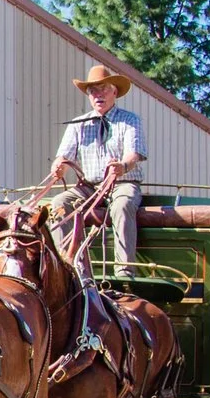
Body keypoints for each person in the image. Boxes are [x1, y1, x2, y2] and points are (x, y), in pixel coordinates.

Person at [46, 61, 147, 265]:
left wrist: (122, 167)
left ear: (114, 92)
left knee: (122, 205)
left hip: (123, 184)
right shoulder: (78, 125)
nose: (98, 95)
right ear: (89, 96)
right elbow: (64, 157)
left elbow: (134, 154)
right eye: (93, 91)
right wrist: (58, 167)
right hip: (89, 187)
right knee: (58, 204)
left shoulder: (130, 120)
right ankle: (66, 268)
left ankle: (124, 268)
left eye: (103, 90)